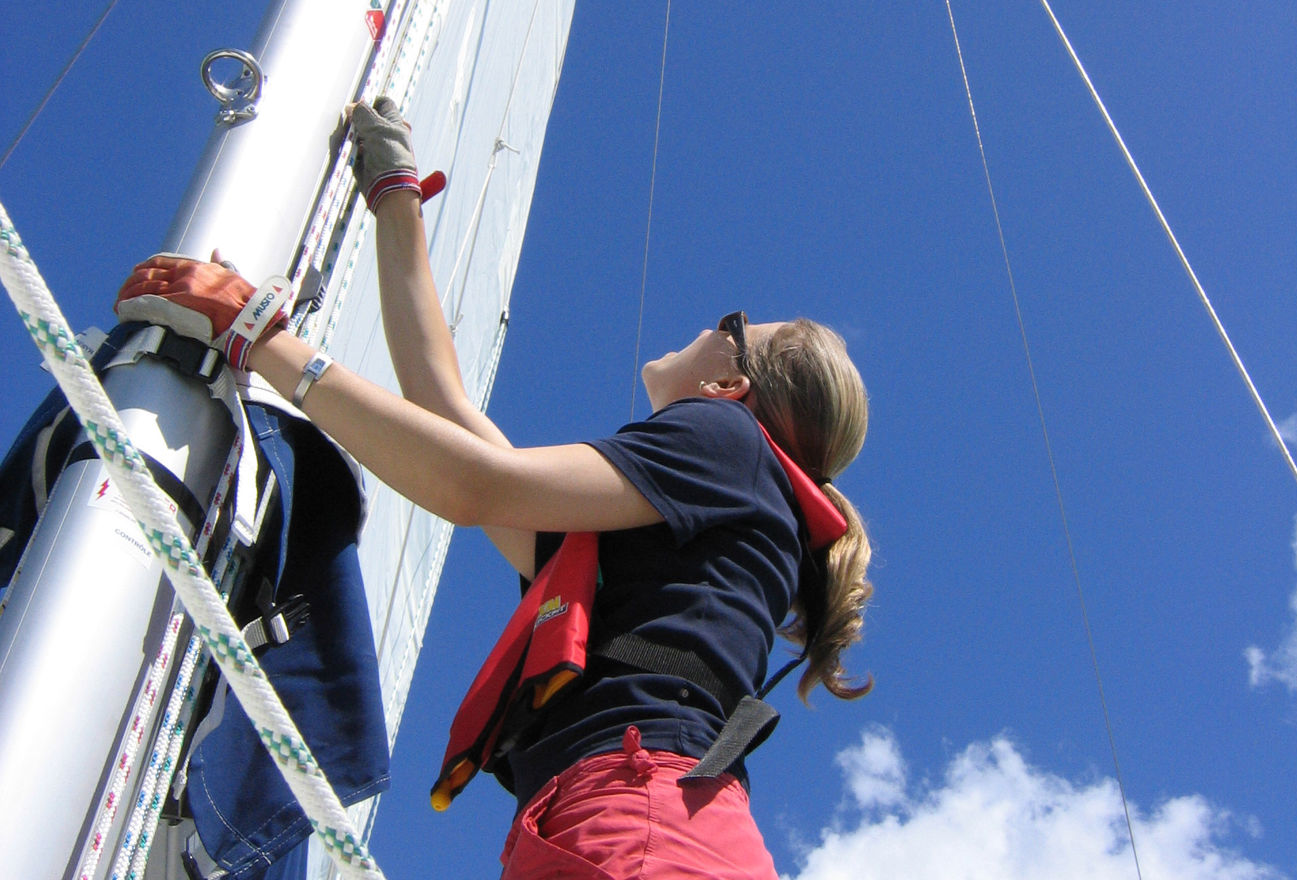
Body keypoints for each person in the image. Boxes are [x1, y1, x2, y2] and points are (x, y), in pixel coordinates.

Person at [114, 98, 874, 879]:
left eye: (732, 320)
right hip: (636, 812)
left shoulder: (727, 442)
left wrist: (256, 334)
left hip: (634, 812)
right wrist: (395, 195)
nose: (711, 323)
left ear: (728, 382)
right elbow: (441, 410)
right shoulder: (664, 533)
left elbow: (472, 485)